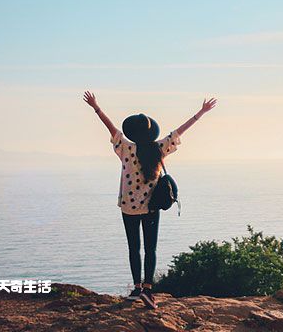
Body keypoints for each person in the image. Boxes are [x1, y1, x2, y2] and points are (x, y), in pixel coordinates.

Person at [83, 91, 216, 309]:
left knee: (134, 248)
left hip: (128, 207)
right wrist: (200, 112)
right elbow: (178, 132)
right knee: (151, 248)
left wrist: (96, 107)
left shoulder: (125, 148)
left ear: (132, 134)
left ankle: (136, 289)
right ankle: (148, 290)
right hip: (152, 208)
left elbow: (111, 128)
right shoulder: (158, 149)